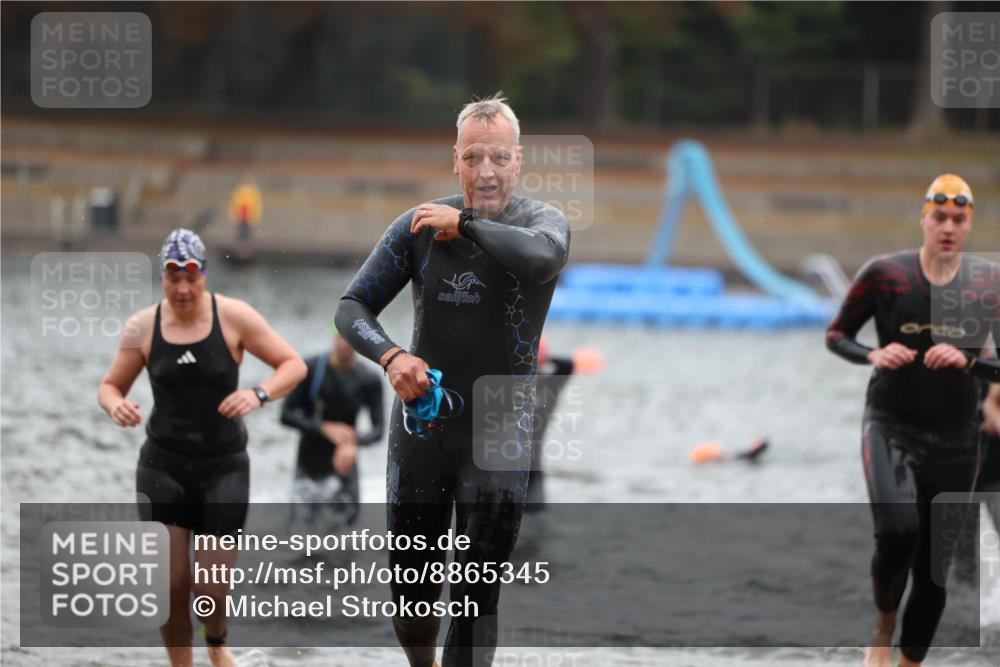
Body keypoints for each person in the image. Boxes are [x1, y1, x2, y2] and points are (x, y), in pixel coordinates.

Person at [335, 94, 570, 667]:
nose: (485, 171)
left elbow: (540, 263)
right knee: (412, 608)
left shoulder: (542, 224)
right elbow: (352, 307)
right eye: (472, 157)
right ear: (455, 160)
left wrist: (464, 223)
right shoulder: (417, 227)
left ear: (517, 162)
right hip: (422, 430)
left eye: (497, 158)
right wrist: (392, 358)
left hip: (497, 435)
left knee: (474, 601)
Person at [97, 229, 306, 667]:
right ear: (162, 278)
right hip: (162, 465)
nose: (183, 288)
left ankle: (216, 641)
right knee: (170, 585)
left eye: (191, 276)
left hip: (223, 467)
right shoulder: (143, 327)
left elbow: (293, 365)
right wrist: (117, 406)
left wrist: (259, 394)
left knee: (209, 587)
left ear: (204, 274)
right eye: (173, 278)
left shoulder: (235, 317)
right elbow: (110, 386)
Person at [825, 174, 999, 667]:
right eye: (938, 217)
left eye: (958, 219)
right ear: (923, 219)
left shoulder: (988, 283)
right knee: (898, 532)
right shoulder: (885, 274)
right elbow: (837, 335)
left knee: (933, 572)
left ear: (968, 226)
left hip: (957, 441)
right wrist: (872, 354)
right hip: (891, 425)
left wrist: (969, 360)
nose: (947, 227)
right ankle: (882, 625)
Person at [280, 327, 384, 525]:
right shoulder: (310, 369)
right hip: (309, 460)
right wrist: (323, 428)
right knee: (302, 532)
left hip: (344, 460)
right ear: (333, 337)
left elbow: (378, 430)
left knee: (346, 531)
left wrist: (354, 442)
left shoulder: (368, 379)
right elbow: (286, 415)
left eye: (351, 340)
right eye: (341, 338)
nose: (345, 344)